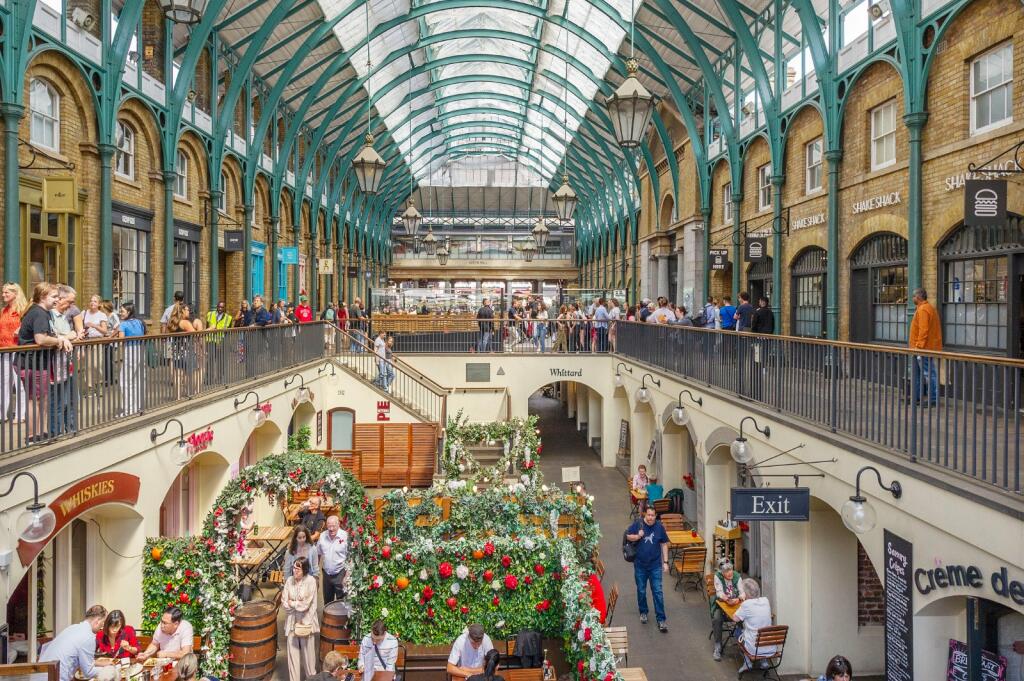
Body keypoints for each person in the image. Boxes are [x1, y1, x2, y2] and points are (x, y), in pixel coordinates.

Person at [17, 283, 71, 441]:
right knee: (36, 399)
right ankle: (33, 435)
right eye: (54, 297)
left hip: (35, 362)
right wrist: (59, 340)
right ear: (42, 297)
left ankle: (39, 432)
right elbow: (40, 338)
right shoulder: (39, 313)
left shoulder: (41, 312)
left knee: (41, 399)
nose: (57, 300)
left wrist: (59, 339)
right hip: (32, 363)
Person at [625, 506, 669, 632]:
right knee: (641, 591)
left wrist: (665, 562)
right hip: (640, 565)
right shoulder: (638, 524)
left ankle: (661, 619)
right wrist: (637, 536)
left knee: (658, 593)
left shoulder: (659, 527)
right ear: (645, 514)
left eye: (652, 516)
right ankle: (643, 611)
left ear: (656, 516)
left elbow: (664, 544)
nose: (650, 518)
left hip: (655, 566)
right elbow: (628, 536)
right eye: (648, 515)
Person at [40, 605, 112, 681]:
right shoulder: (88, 636)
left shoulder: (73, 628)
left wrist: (98, 663)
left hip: (39, 675)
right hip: (53, 678)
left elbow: (76, 657)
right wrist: (112, 671)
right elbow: (88, 672)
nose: (102, 627)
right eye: (103, 623)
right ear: (98, 621)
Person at [49, 285, 81, 437]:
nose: (72, 306)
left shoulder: (63, 316)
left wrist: (70, 336)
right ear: (60, 299)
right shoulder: (51, 315)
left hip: (67, 362)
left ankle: (71, 428)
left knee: (71, 398)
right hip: (55, 365)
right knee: (59, 400)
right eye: (70, 302)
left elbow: (71, 334)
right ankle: (56, 432)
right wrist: (67, 336)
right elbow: (55, 336)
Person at [283, 556, 319, 681]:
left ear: (304, 570)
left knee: (308, 659)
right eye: (293, 568)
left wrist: (293, 603)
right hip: (292, 623)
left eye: (298, 569)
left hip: (306, 623)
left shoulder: (311, 581)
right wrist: (296, 604)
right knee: (293, 659)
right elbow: (284, 602)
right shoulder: (289, 581)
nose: (294, 571)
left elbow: (307, 605)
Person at [733, 578, 775, 675]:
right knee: (759, 630)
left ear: (745, 593)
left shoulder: (746, 604)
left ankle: (747, 663)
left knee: (737, 631)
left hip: (754, 648)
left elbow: (735, 618)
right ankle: (763, 661)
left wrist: (742, 600)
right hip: (770, 647)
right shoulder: (765, 600)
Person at [1, 282, 28, 424]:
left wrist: (21, 330)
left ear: (16, 293)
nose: (3, 294)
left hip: (17, 350)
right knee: (3, 383)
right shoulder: (4, 310)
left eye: (7, 292)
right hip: (4, 350)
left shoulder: (23, 310)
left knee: (20, 384)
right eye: (3, 292)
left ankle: (21, 413)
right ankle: (2, 414)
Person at [909, 287, 942, 407]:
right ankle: (917, 397)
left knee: (929, 374)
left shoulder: (923, 309)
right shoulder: (926, 308)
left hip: (923, 348)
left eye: (913, 296)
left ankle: (932, 399)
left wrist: (919, 346)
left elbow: (924, 330)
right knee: (918, 373)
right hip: (922, 348)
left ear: (918, 297)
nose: (912, 298)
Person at [710, 557, 743, 661]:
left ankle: (744, 645)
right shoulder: (717, 576)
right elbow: (719, 592)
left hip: (737, 604)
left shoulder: (737, 576)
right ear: (721, 572)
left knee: (745, 618)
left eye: (730, 569)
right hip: (722, 604)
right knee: (717, 618)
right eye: (726, 571)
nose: (729, 573)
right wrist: (726, 599)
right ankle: (718, 645)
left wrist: (738, 599)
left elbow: (743, 592)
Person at [115, 302, 145, 417]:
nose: (120, 313)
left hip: (130, 351)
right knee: (136, 380)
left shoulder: (124, 324)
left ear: (128, 312)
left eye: (122, 311)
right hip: (140, 350)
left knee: (125, 381)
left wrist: (116, 334)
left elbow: (121, 340)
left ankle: (129, 410)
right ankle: (136, 406)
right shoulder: (139, 322)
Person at [167, 303, 197, 399]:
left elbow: (169, 338)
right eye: (187, 310)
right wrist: (210, 329)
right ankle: (188, 394)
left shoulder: (172, 323)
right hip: (187, 351)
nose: (189, 312)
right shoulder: (185, 323)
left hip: (176, 351)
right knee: (189, 374)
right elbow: (196, 334)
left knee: (178, 375)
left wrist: (168, 353)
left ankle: (178, 397)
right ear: (183, 311)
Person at [318, 515, 349, 602]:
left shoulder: (345, 536)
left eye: (333, 526)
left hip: (340, 573)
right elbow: (318, 554)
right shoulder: (322, 536)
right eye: (329, 526)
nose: (331, 528)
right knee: (327, 600)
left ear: (338, 524)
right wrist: (315, 573)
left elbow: (350, 558)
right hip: (326, 574)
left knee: (341, 601)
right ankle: (328, 616)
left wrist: (347, 576)